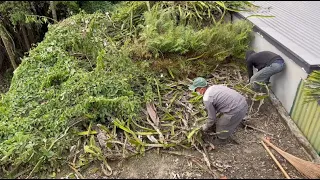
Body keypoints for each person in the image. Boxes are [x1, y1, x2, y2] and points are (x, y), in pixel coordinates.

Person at [189, 77, 248, 145]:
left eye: (196, 90)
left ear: (202, 89)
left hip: (237, 110)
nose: (196, 92)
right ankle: (237, 120)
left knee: (220, 124)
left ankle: (222, 140)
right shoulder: (214, 87)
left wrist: (205, 127)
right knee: (225, 117)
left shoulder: (207, 98)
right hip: (244, 103)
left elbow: (212, 119)